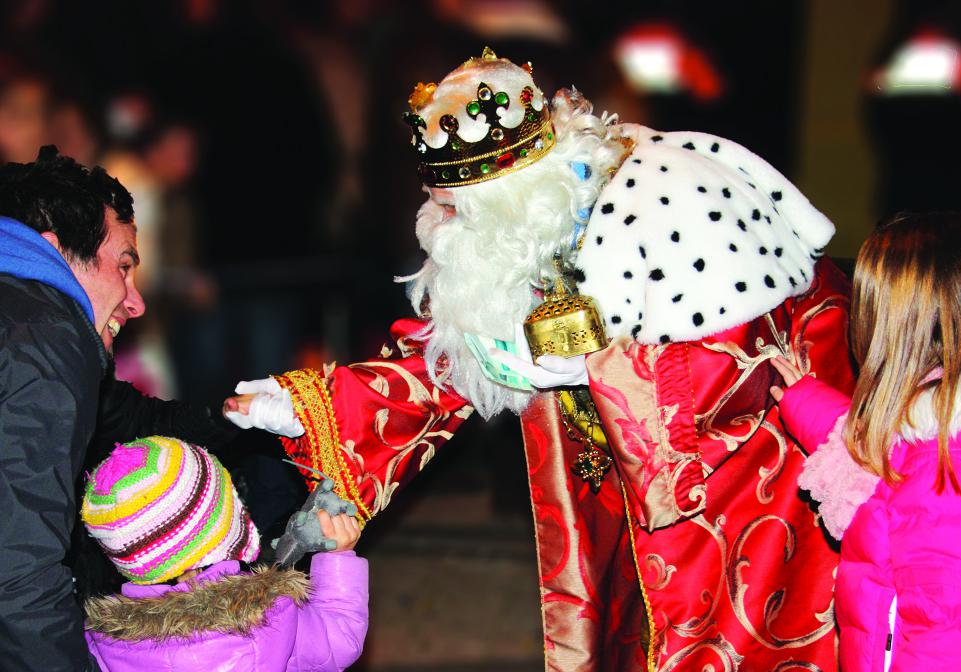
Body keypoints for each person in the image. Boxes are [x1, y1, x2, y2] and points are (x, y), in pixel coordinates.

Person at [229, 48, 854, 670]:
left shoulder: (678, 202)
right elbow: (453, 355)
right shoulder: (512, 231)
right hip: (618, 478)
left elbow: (752, 366)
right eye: (434, 199)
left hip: (745, 496)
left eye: (453, 206)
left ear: (513, 195)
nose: (434, 223)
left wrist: (606, 370)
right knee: (629, 629)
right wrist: (309, 404)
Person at [0, 146, 237, 671]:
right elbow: (17, 572)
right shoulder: (41, 338)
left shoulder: (25, 317)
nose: (136, 301)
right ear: (55, 250)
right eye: (123, 267)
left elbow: (120, 420)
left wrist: (232, 414)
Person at [769, 212, 961, 671]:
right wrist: (806, 401)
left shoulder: (951, 472)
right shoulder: (945, 428)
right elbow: (887, 458)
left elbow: (954, 632)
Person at [81, 436, 368, 671]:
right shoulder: (266, 619)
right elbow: (338, 641)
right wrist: (337, 557)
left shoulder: (101, 642)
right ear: (222, 528)